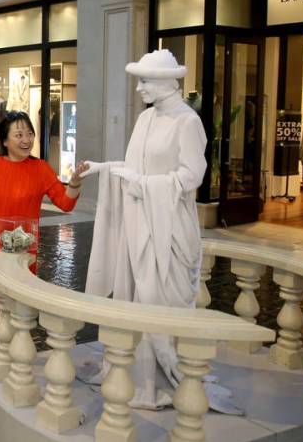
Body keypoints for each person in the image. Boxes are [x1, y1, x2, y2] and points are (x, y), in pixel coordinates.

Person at [81, 49, 208, 410]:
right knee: (134, 298)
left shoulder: (187, 122)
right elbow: (135, 166)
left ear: (167, 83)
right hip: (139, 224)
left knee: (158, 303)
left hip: (167, 229)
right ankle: (131, 373)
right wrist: (103, 167)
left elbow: (191, 176)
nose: (139, 88)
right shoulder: (146, 118)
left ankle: (154, 380)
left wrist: (144, 184)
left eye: (145, 81)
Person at [0, 111, 87, 363]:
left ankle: (15, 363)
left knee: (20, 310)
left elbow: (65, 203)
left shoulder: (40, 169)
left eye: (29, 133)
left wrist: (75, 183)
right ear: (5, 141)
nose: (26, 139)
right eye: (18, 134)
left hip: (22, 253)